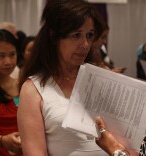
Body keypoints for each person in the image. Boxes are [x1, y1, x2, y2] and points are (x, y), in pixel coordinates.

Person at [17, 0, 107, 155]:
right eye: (76, 35)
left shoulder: (99, 79)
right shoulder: (34, 89)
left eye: (89, 35)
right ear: (54, 37)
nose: (85, 44)